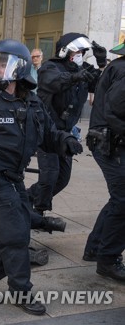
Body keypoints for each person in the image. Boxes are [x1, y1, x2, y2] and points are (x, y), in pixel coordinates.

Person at [0, 39, 83, 315]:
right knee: (16, 237)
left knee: (13, 232)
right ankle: (21, 291)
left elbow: (47, 134)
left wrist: (65, 140)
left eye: (2, 62)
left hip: (14, 179)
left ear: (18, 68)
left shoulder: (31, 101)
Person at [27, 33, 105, 215]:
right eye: (77, 50)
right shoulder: (50, 67)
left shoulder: (83, 68)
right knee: (49, 176)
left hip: (66, 132)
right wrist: (76, 77)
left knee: (62, 178)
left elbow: (103, 85)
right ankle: (37, 211)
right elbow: (54, 82)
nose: (80, 54)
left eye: (83, 51)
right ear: (65, 51)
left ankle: (26, 198)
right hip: (47, 130)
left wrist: (102, 64)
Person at [83, 40, 125, 282]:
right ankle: (107, 259)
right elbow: (114, 110)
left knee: (119, 199)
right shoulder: (123, 69)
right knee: (123, 202)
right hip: (111, 143)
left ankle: (96, 248)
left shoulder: (118, 67)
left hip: (109, 142)